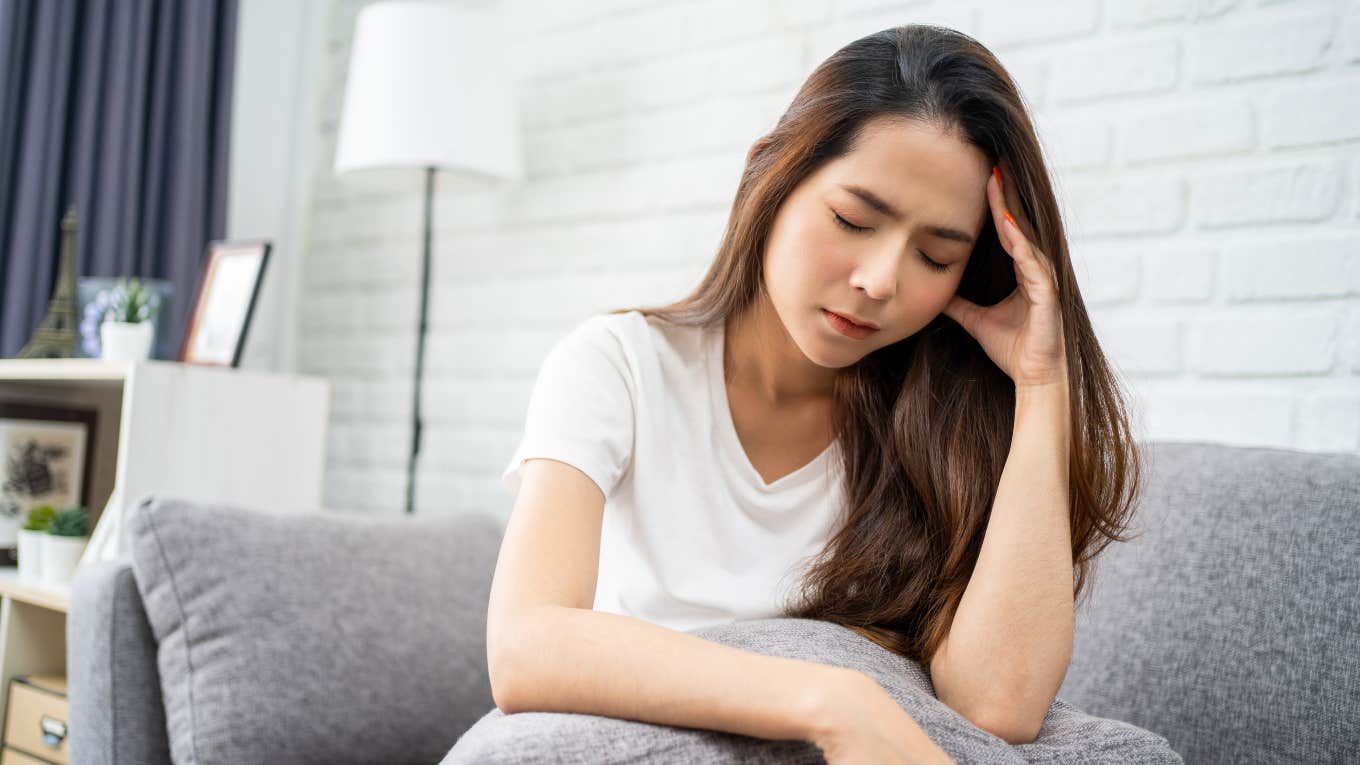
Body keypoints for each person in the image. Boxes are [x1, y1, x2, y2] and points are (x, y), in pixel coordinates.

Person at [485, 23, 1144, 765]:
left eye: (936, 255)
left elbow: (998, 705)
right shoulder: (620, 368)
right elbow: (524, 643)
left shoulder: (939, 420)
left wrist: (1042, 383)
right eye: (853, 220)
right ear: (770, 177)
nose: (881, 281)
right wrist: (832, 701)